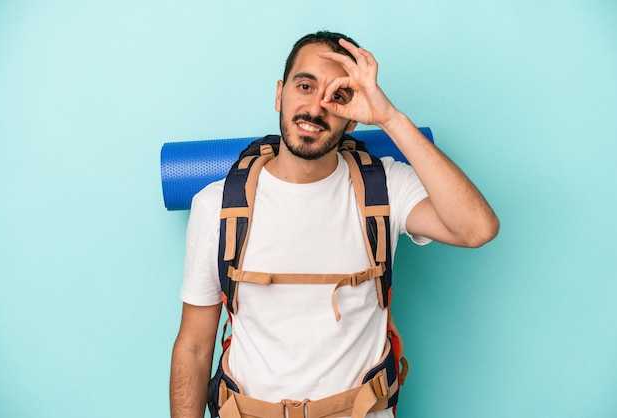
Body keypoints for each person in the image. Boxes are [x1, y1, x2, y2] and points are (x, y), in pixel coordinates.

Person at [169, 31, 499, 418]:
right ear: (280, 94)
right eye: (305, 85)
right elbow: (193, 346)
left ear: (355, 115)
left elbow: (477, 228)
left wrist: (389, 118)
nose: (316, 107)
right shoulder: (217, 204)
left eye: (338, 96)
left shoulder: (386, 186)